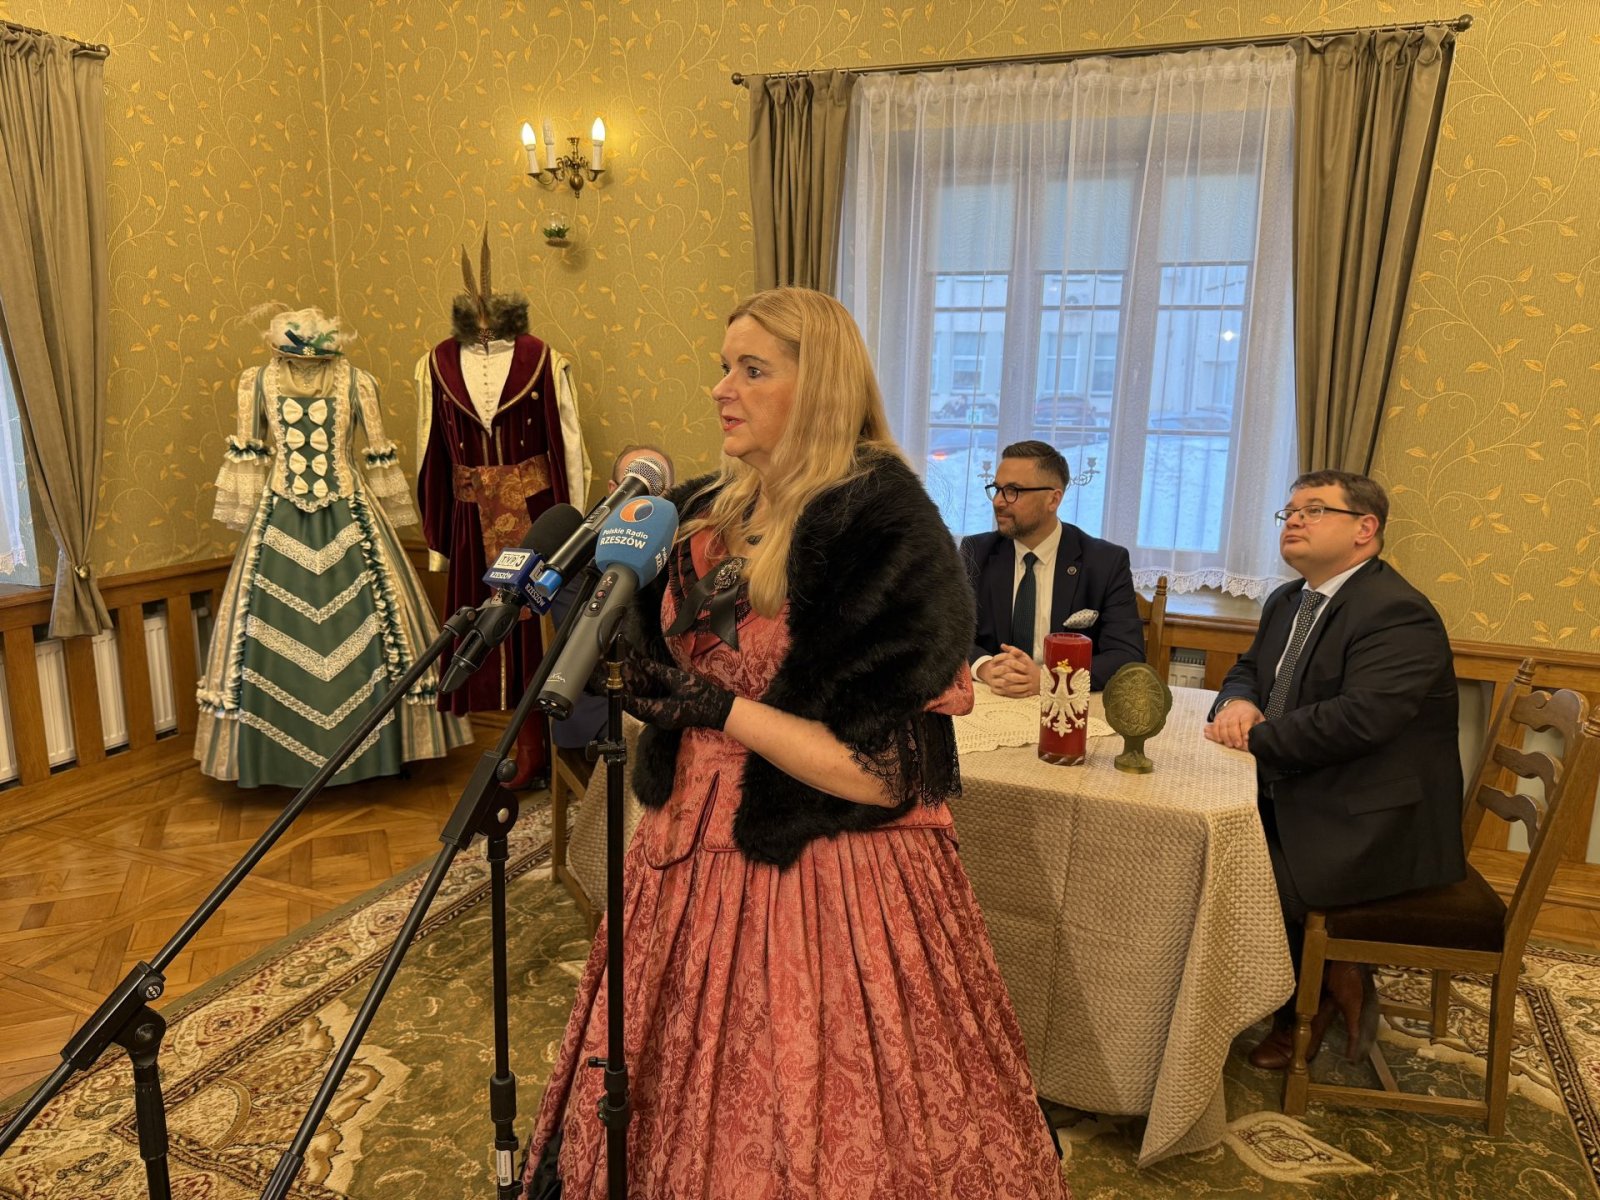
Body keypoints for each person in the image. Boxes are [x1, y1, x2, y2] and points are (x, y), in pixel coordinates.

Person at [522, 288, 1068, 1199]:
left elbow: (883, 775)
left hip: (827, 872)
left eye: (752, 369)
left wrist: (720, 710)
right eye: (722, 366)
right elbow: (668, 669)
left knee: (824, 1113)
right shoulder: (700, 510)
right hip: (681, 856)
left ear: (819, 387)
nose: (720, 389)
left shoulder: (883, 527)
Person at [1205, 469, 1465, 1070]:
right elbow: (1248, 670)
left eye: (1315, 509)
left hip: (1370, 819)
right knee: (1208, 843)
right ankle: (1309, 976)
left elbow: (1359, 720)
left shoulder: (1397, 611)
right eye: (1290, 510)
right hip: (1309, 786)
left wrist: (1256, 740)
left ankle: (1308, 998)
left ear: (1364, 529)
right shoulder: (1288, 599)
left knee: (1240, 873)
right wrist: (1238, 703)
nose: (1294, 520)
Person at [961, 440, 1144, 694]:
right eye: (997, 489)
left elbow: (1126, 655)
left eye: (1013, 491)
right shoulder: (976, 552)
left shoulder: (1105, 562)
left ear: (1053, 499)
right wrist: (984, 666)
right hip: (995, 695)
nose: (999, 502)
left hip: (1066, 701)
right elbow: (947, 634)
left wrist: (1051, 679)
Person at [547, 445, 676, 753]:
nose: (647, 500)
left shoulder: (682, 551)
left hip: (671, 693)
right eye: (636, 486)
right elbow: (584, 645)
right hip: (598, 698)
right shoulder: (581, 552)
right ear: (613, 491)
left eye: (657, 490)